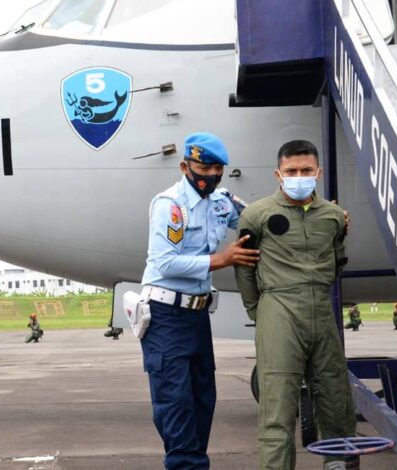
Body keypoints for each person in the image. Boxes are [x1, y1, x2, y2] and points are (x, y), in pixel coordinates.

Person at [234, 140, 356, 469]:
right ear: (278, 174)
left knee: (335, 399)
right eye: (291, 171)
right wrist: (260, 312)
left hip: (321, 311)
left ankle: (338, 463)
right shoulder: (256, 215)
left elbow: (336, 261)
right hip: (279, 310)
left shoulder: (333, 216)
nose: (298, 177)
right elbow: (244, 269)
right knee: (277, 409)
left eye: (306, 170)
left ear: (318, 172)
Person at [140, 132, 258, 469]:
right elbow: (165, 263)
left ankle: (192, 462)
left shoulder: (221, 202)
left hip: (197, 316)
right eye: (204, 168)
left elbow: (255, 219)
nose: (211, 175)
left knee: (203, 400)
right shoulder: (170, 206)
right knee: (175, 402)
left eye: (218, 169)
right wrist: (223, 259)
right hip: (165, 315)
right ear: (185, 167)